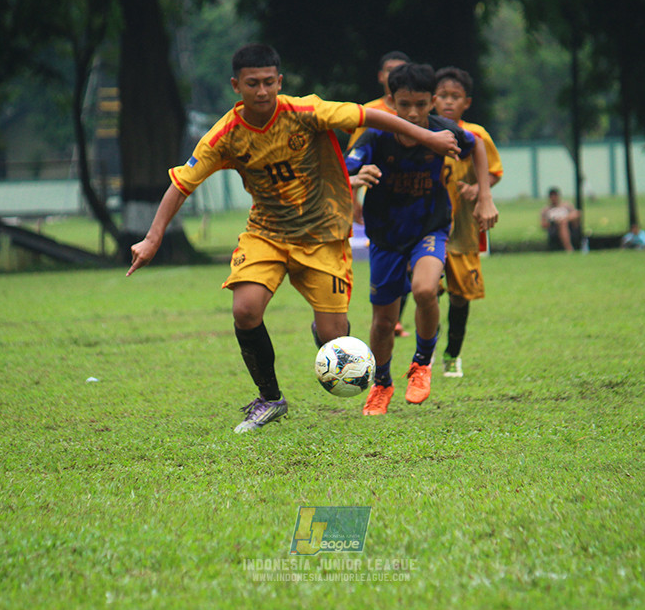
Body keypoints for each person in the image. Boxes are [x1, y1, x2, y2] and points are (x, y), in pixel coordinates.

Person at [127, 44, 462, 433]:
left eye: (269, 82)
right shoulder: (225, 135)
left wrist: (428, 137)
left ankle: (326, 332)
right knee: (245, 309)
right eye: (252, 83)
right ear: (237, 85)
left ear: (279, 82)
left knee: (333, 340)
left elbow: (371, 115)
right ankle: (270, 398)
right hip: (266, 234)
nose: (262, 91)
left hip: (323, 237)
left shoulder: (307, 112)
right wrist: (152, 239)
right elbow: (181, 184)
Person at [345, 62, 498, 415]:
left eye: (420, 104)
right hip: (385, 236)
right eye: (404, 105)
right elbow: (345, 166)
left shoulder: (445, 130)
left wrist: (485, 197)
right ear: (391, 103)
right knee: (383, 321)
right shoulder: (376, 135)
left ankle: (421, 364)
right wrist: (355, 180)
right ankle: (382, 383)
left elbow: (475, 146)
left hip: (430, 228)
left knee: (426, 289)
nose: (412, 113)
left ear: (431, 102)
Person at [433, 66, 503, 378]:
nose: (448, 102)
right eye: (443, 96)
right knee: (427, 288)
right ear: (433, 99)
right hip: (429, 226)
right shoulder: (424, 132)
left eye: (455, 97)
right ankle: (427, 351)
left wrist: (479, 188)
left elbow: (493, 171)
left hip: (463, 227)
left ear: (466, 102)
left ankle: (453, 353)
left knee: (460, 296)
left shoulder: (477, 135)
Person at [348, 51, 412, 337]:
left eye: (401, 70)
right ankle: (391, 315)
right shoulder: (369, 113)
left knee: (417, 267)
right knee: (391, 259)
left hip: (415, 201)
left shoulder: (418, 112)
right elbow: (354, 161)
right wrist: (354, 200)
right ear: (381, 76)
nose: (395, 75)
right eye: (390, 70)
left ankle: (397, 316)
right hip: (380, 202)